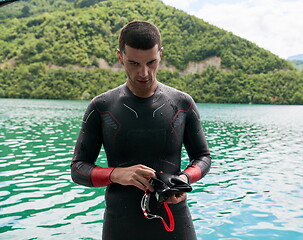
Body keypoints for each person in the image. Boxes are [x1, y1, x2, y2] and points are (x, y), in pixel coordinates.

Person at [71, 20, 211, 240]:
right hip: (120, 226)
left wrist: (184, 179)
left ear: (160, 55)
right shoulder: (101, 106)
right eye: (134, 63)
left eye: (151, 62)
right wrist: (117, 174)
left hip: (175, 223)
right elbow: (78, 169)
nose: (144, 72)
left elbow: (203, 157)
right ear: (120, 57)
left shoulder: (183, 103)